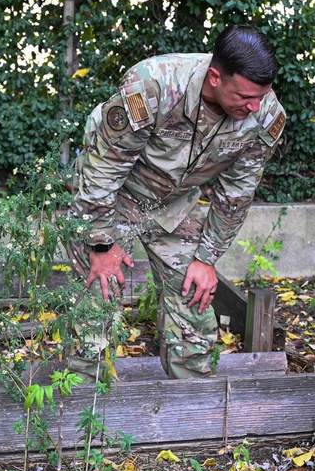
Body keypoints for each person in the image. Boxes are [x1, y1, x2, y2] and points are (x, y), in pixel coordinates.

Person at [69, 24, 286, 380]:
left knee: (195, 304)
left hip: (174, 205)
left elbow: (237, 193)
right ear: (215, 77)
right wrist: (100, 243)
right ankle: (87, 414)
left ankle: (191, 414)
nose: (255, 106)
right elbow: (102, 171)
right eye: (245, 96)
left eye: (261, 96)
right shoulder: (153, 85)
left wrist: (206, 259)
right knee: (98, 305)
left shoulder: (263, 116)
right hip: (111, 199)